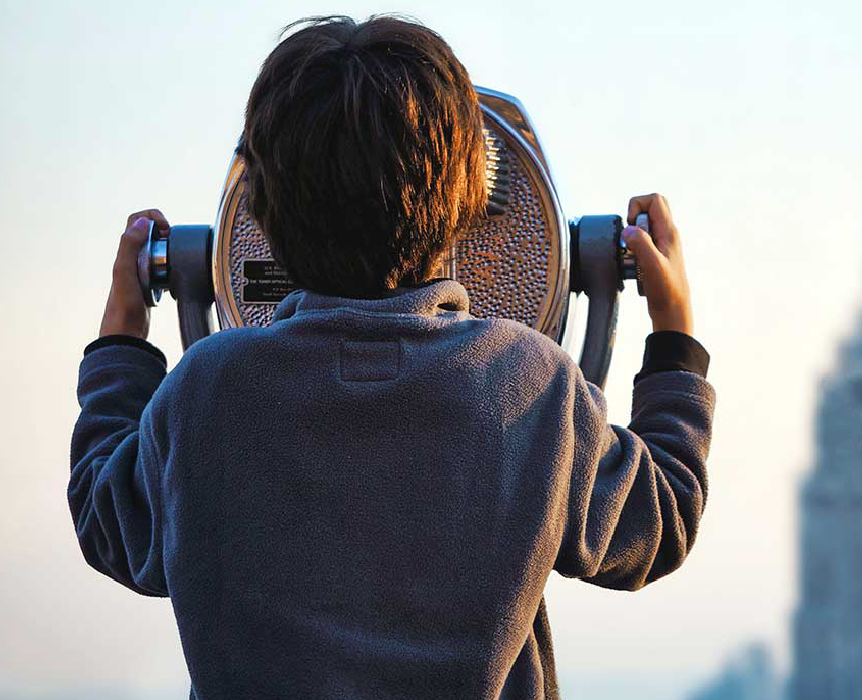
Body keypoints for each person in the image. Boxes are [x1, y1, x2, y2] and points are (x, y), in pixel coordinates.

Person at [70, 15, 713, 700]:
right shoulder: (532, 387)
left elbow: (107, 521)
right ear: (471, 195)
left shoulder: (206, 392)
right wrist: (673, 333)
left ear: (255, 206)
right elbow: (662, 517)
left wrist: (122, 338)